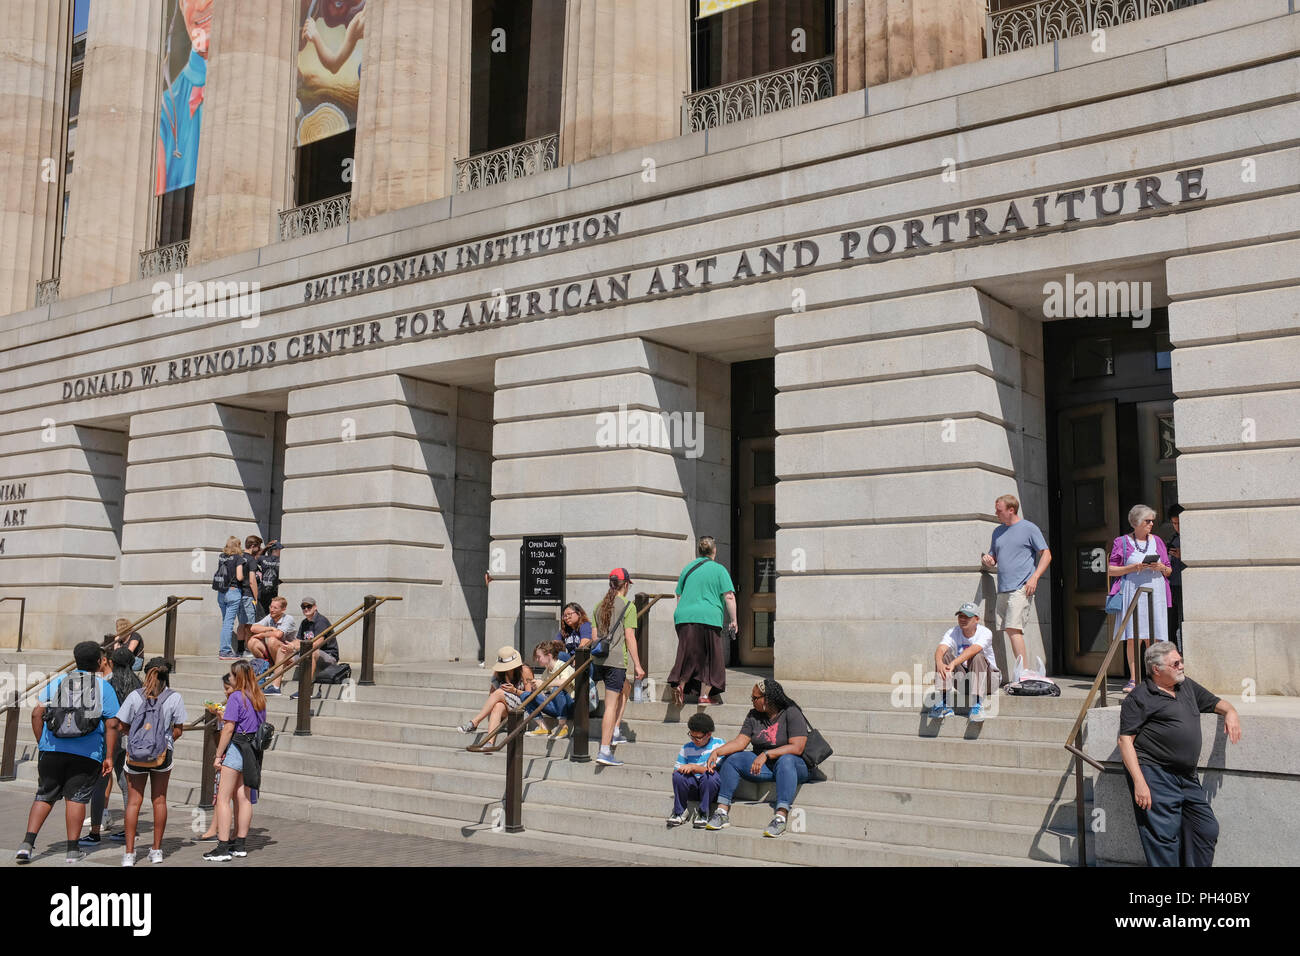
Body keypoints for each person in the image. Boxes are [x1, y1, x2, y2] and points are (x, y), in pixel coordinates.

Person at [1117, 641, 1241, 867]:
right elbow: (1125, 741)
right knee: (1163, 839)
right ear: (1157, 669)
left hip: (1187, 776)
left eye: (1181, 660)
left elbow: (1216, 703)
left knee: (1205, 829)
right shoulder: (1139, 697)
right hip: (1156, 774)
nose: (1182, 666)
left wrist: (1231, 712)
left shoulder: (1186, 687)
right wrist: (1139, 782)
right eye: (1176, 663)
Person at [15, 641, 121, 864]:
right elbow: (112, 724)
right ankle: (72, 851)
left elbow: (37, 713)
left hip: (52, 750)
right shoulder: (104, 688)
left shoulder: (59, 681)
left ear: (76, 660)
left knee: (44, 795)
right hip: (87, 753)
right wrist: (109, 756)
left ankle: (26, 845)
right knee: (77, 798)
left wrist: (42, 743)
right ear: (99, 662)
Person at [704, 679, 811, 838]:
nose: (752, 701)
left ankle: (780, 817)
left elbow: (797, 747)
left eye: (755, 698)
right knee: (732, 759)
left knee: (786, 760)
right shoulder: (753, 715)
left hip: (794, 766)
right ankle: (722, 811)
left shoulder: (791, 712)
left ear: (767, 699)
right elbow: (741, 742)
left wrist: (767, 754)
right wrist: (718, 752)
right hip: (766, 766)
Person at [117, 658, 187, 865]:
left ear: (146, 673)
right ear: (167, 676)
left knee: (133, 802)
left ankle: (129, 854)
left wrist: (138, 739)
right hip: (162, 756)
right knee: (159, 800)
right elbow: (179, 730)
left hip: (135, 756)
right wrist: (161, 742)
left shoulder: (134, 696)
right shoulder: (174, 697)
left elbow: (121, 725)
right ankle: (156, 850)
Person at [980, 493, 1051, 679]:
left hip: (1022, 586)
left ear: (1011, 510)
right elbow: (993, 558)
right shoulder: (997, 531)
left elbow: (1046, 554)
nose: (996, 513)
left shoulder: (1029, 528)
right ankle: (1022, 671)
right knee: (1009, 629)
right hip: (1003, 588)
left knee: (1013, 628)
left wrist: (1034, 577)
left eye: (999, 510)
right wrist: (989, 560)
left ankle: (1024, 672)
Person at [204, 660, 267, 862]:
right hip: (253, 750)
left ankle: (222, 846)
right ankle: (240, 844)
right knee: (245, 797)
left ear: (238, 676)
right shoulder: (258, 697)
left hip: (237, 748)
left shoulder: (236, 698)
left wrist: (217, 755)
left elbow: (229, 728)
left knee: (223, 798)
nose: (229, 677)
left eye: (232, 674)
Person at [1109, 504, 1173, 693]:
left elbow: (1169, 570)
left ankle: (1154, 678)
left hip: (1156, 590)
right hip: (1133, 590)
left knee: (1154, 637)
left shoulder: (1158, 541)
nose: (1151, 524)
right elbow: (1112, 570)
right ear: (1136, 522)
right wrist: (1133, 567)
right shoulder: (1121, 542)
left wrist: (1160, 567)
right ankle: (1134, 678)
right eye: (1147, 521)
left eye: (1152, 520)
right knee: (1133, 636)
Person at [668, 536, 738, 707]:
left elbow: (679, 594)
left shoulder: (687, 569)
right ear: (714, 550)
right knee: (710, 657)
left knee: (688, 654)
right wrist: (734, 620)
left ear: (699, 551)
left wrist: (682, 614)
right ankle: (704, 696)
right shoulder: (719, 570)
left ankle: (681, 685)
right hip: (709, 616)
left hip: (684, 616)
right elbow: (729, 596)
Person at [83, 646, 140, 847]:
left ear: (112, 663)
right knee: (126, 784)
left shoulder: (106, 683)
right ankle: (129, 829)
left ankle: (95, 832)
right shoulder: (138, 684)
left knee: (101, 782)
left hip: (109, 738)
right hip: (129, 738)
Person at [592, 569, 644, 767]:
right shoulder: (628, 607)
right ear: (626, 584)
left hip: (599, 660)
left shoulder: (599, 606)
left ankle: (614, 731)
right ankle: (605, 749)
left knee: (626, 688)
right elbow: (630, 638)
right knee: (611, 705)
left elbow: (596, 637)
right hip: (616, 661)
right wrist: (638, 665)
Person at [929, 602, 1000, 722]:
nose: (963, 619)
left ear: (976, 619)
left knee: (977, 656)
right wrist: (939, 662)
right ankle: (944, 704)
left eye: (967, 616)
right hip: (965, 681)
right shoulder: (953, 632)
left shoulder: (985, 632)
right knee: (944, 656)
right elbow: (941, 648)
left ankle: (977, 705)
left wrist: (954, 663)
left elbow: (974, 649)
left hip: (989, 681)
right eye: (960, 616)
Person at [457, 647, 536, 738]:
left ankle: (475, 722)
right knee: (498, 706)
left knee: (499, 692)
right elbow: (491, 695)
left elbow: (529, 697)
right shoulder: (498, 673)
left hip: (523, 707)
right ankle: (489, 742)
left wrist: (514, 691)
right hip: (506, 711)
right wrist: (504, 698)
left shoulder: (524, 671)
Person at [668, 713, 725, 828]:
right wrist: (683, 770)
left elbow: (714, 771)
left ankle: (703, 812)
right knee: (678, 775)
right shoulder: (687, 747)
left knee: (709, 776)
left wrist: (693, 767)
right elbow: (676, 770)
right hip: (693, 787)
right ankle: (679, 812)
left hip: (710, 787)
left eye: (698, 738)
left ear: (708, 734)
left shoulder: (719, 745)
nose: (694, 740)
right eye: (691, 736)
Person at [246, 596, 297, 694]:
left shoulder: (288, 618)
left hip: (289, 656)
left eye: (275, 608)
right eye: (271, 607)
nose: (272, 610)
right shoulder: (270, 617)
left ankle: (276, 672)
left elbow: (278, 634)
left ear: (283, 609)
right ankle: (270, 667)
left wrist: (262, 634)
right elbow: (253, 628)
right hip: (274, 652)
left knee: (272, 640)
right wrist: (270, 629)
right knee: (252, 641)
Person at [526, 640, 575, 739]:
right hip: (556, 706)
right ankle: (543, 727)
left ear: (549, 655)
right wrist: (537, 688)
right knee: (526, 696)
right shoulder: (546, 671)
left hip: (571, 706)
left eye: (538, 657)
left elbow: (564, 682)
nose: (537, 660)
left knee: (557, 689)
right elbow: (545, 693)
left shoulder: (563, 665)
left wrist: (543, 684)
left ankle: (562, 727)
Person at [290, 597, 336, 700]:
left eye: (309, 606)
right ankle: (275, 686)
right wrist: (290, 646)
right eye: (303, 607)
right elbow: (298, 640)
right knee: (283, 651)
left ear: (315, 607)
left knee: (312, 651)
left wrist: (297, 646)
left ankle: (306, 690)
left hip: (328, 657)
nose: (306, 609)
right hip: (309, 654)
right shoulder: (304, 622)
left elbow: (316, 644)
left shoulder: (321, 621)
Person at [215, 536, 252, 661]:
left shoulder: (222, 556)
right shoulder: (238, 558)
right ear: (238, 545)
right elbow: (240, 576)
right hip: (233, 592)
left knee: (225, 622)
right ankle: (225, 651)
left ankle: (225, 649)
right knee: (228, 623)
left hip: (221, 593)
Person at [236, 535, 264, 655]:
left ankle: (240, 649)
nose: (259, 549)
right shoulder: (251, 560)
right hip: (248, 594)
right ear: (253, 546)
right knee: (249, 625)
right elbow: (252, 581)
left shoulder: (239, 557)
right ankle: (247, 649)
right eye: (258, 547)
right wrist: (256, 597)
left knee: (241, 623)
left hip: (238, 594)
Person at [1165, 504, 1186, 651]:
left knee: (1182, 623)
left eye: (1179, 523)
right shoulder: (1173, 538)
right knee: (1170, 625)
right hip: (1171, 585)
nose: (1177, 527)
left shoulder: (1191, 538)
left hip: (1184, 586)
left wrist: (1183, 556)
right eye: (1174, 523)